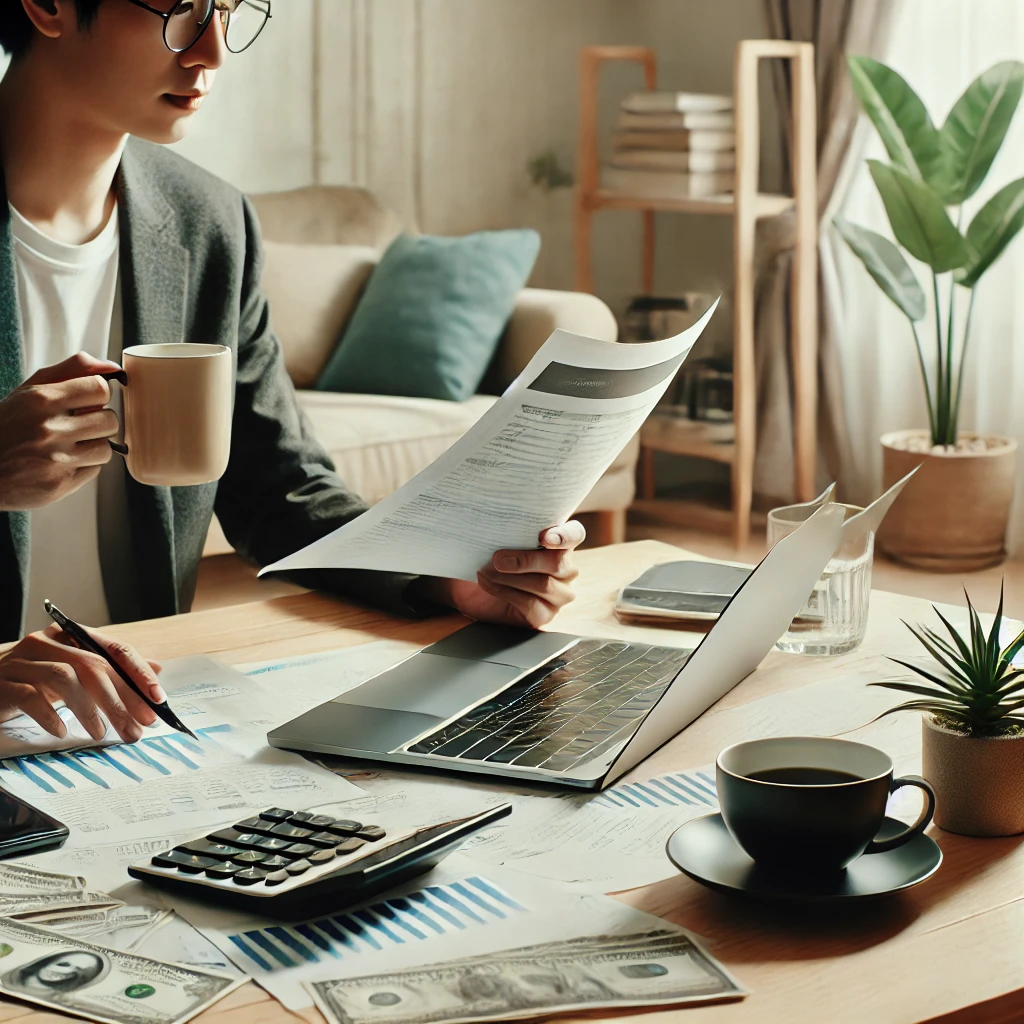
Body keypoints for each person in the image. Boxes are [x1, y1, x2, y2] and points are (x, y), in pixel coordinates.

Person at [0, 0, 586, 746]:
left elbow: (282, 491)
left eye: (230, 11)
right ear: (48, 6)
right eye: (180, 10)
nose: (211, 50)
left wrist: (447, 578)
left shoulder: (208, 222)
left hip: (132, 727)